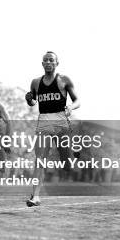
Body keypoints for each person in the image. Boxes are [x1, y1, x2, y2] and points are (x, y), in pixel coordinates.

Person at [25, 52, 80, 206]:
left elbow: (77, 101)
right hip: (43, 123)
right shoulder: (35, 82)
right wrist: (29, 99)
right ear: (42, 63)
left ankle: (72, 156)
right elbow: (33, 102)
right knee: (40, 160)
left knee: (67, 165)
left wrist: (70, 107)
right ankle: (35, 196)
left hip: (61, 123)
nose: (48, 62)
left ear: (57, 63)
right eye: (45, 60)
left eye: (51, 60)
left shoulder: (64, 80)